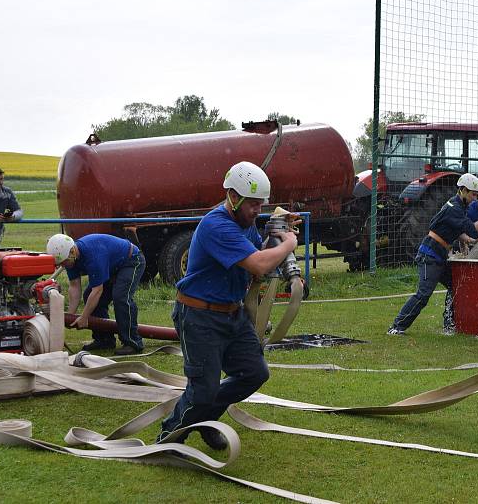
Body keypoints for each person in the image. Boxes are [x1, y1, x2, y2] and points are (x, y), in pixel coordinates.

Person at [157, 161, 298, 450]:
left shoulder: (245, 224)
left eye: (262, 205)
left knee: (254, 373)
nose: (258, 210)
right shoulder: (216, 225)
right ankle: (169, 437)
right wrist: (288, 245)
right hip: (199, 317)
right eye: (254, 204)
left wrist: (275, 235)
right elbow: (258, 264)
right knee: (203, 389)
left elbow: (255, 260)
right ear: (233, 197)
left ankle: (206, 419)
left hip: (232, 315)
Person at [387, 173, 478, 336]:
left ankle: (449, 324)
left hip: (440, 255)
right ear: (463, 190)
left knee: (456, 286)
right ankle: (397, 326)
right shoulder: (455, 208)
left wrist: (468, 240)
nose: (475, 198)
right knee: (424, 294)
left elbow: (456, 230)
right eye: (474, 194)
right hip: (430, 255)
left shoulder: (457, 206)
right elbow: (473, 229)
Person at [47, 233, 147, 355]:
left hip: (131, 260)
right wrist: (71, 315)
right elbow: (74, 286)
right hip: (113, 266)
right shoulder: (69, 258)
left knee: (121, 298)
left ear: (72, 251)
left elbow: (98, 290)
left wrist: (84, 317)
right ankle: (104, 340)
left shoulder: (93, 255)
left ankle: (133, 343)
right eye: (61, 263)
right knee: (88, 295)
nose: (63, 266)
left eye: (64, 262)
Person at [0, 164, 23, 252]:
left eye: (1, 179)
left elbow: (19, 211)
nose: (0, 182)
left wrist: (13, 216)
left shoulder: (7, 192)